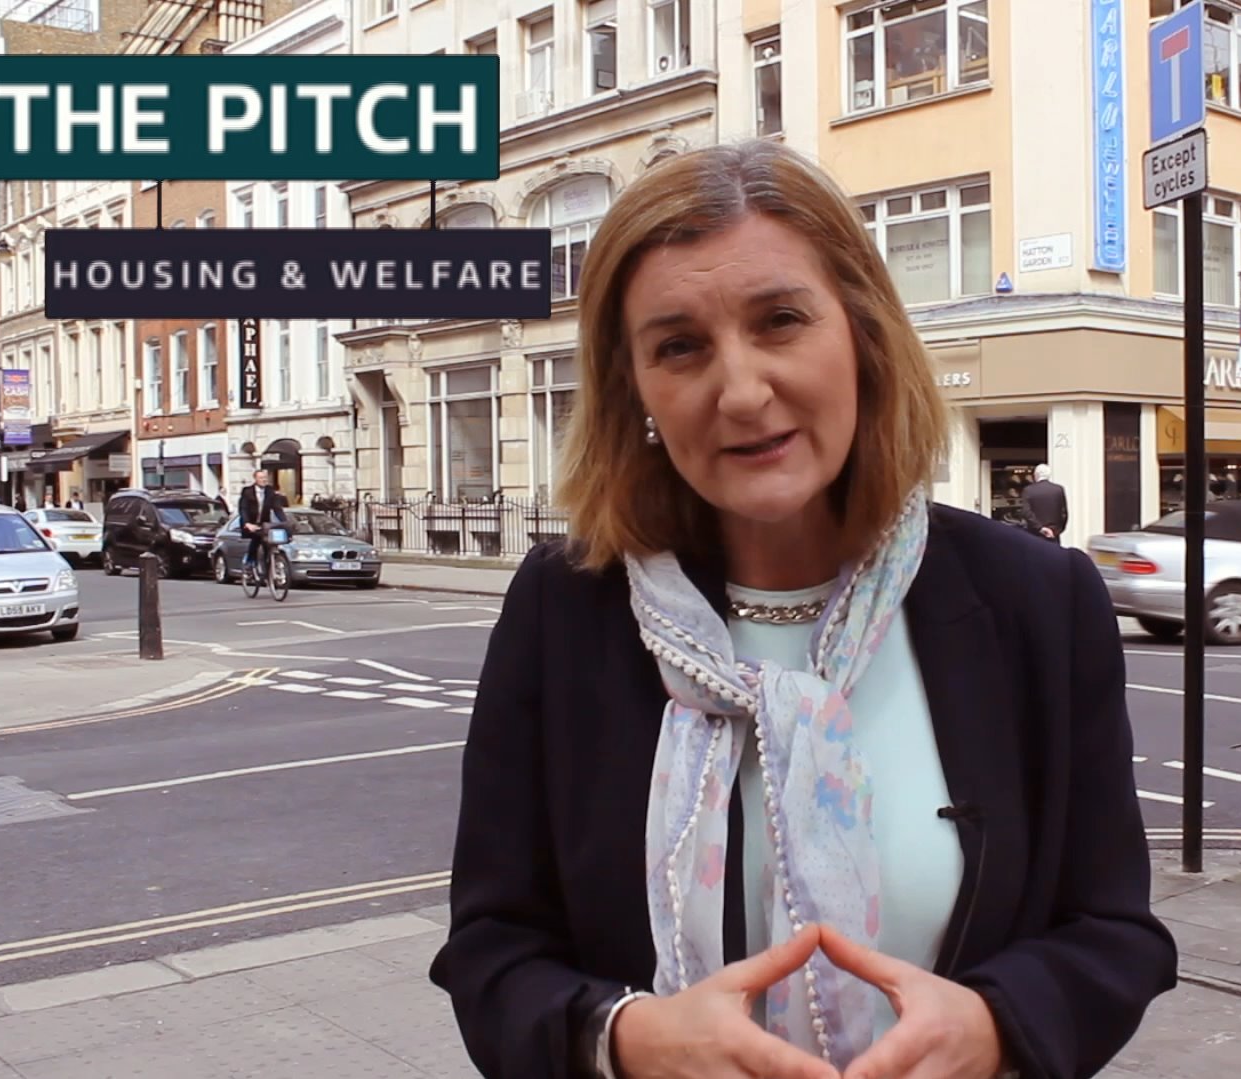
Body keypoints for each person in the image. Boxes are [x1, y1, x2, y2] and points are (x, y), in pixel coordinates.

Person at [429, 140, 1176, 1079]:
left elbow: (1113, 930)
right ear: (636, 388)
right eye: (679, 346)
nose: (742, 392)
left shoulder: (1032, 598)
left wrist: (994, 1025)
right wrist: (625, 1039)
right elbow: (492, 950)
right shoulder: (564, 606)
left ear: (862, 334)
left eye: (780, 320)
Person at [236, 469, 288, 574]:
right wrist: (247, 523)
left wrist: (284, 521)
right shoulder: (247, 491)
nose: (263, 480)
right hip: (250, 522)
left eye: (265, 478)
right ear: (255, 479)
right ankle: (250, 562)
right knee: (256, 539)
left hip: (264, 523)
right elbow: (243, 508)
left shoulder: (270, 491)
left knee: (268, 543)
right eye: (261, 478)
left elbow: (277, 508)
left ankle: (267, 569)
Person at [1020, 463, 1068, 542]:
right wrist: (1057, 530)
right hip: (1053, 534)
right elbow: (1063, 513)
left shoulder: (1028, 490)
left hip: (1035, 534)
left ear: (1035, 475)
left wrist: (1040, 528)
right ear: (1049, 475)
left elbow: (1026, 512)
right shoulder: (1058, 489)